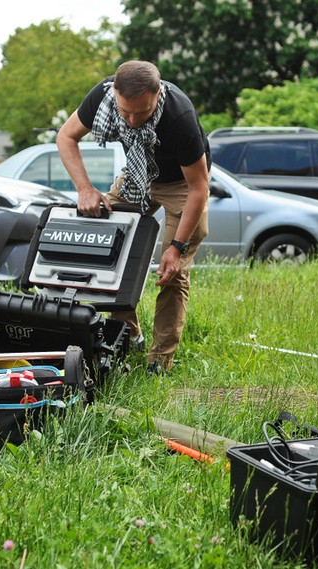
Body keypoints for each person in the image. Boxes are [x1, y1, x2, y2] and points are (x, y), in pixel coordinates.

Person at [57, 60, 210, 374]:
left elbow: (199, 186)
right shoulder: (102, 97)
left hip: (183, 184)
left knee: (173, 273)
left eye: (142, 112)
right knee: (110, 248)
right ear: (114, 91)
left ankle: (160, 361)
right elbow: (66, 137)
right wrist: (85, 189)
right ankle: (128, 335)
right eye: (125, 111)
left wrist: (176, 248)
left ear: (157, 94)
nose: (132, 119)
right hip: (138, 175)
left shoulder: (178, 115)